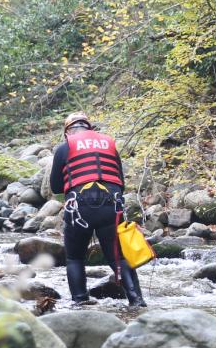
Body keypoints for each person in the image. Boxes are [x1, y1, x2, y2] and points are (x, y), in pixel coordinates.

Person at [49, 112, 146, 308]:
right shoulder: (109, 144)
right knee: (117, 256)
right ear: (89, 128)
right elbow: (120, 180)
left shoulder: (65, 147)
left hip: (78, 207)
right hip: (111, 205)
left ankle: (80, 300)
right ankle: (136, 300)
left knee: (75, 256)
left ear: (68, 130)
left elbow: (56, 187)